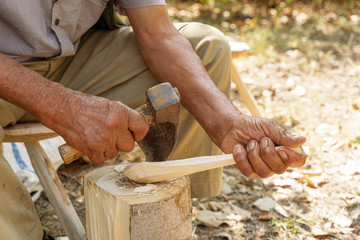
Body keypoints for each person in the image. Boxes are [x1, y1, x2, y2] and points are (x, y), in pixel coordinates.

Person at [0, 0, 307, 239]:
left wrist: (226, 121)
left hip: (72, 59)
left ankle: (174, 216)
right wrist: (63, 106)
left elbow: (158, 35)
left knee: (206, 46)